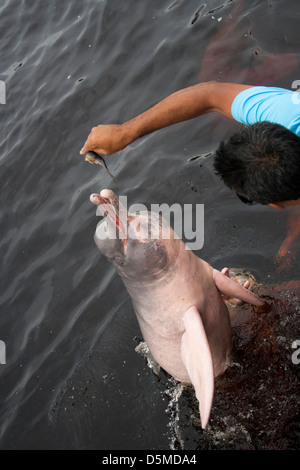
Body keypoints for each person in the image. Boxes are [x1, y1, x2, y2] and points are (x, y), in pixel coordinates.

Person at [80, 81, 300, 208]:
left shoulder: (286, 113)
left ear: (274, 204)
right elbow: (209, 96)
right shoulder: (288, 110)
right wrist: (125, 132)